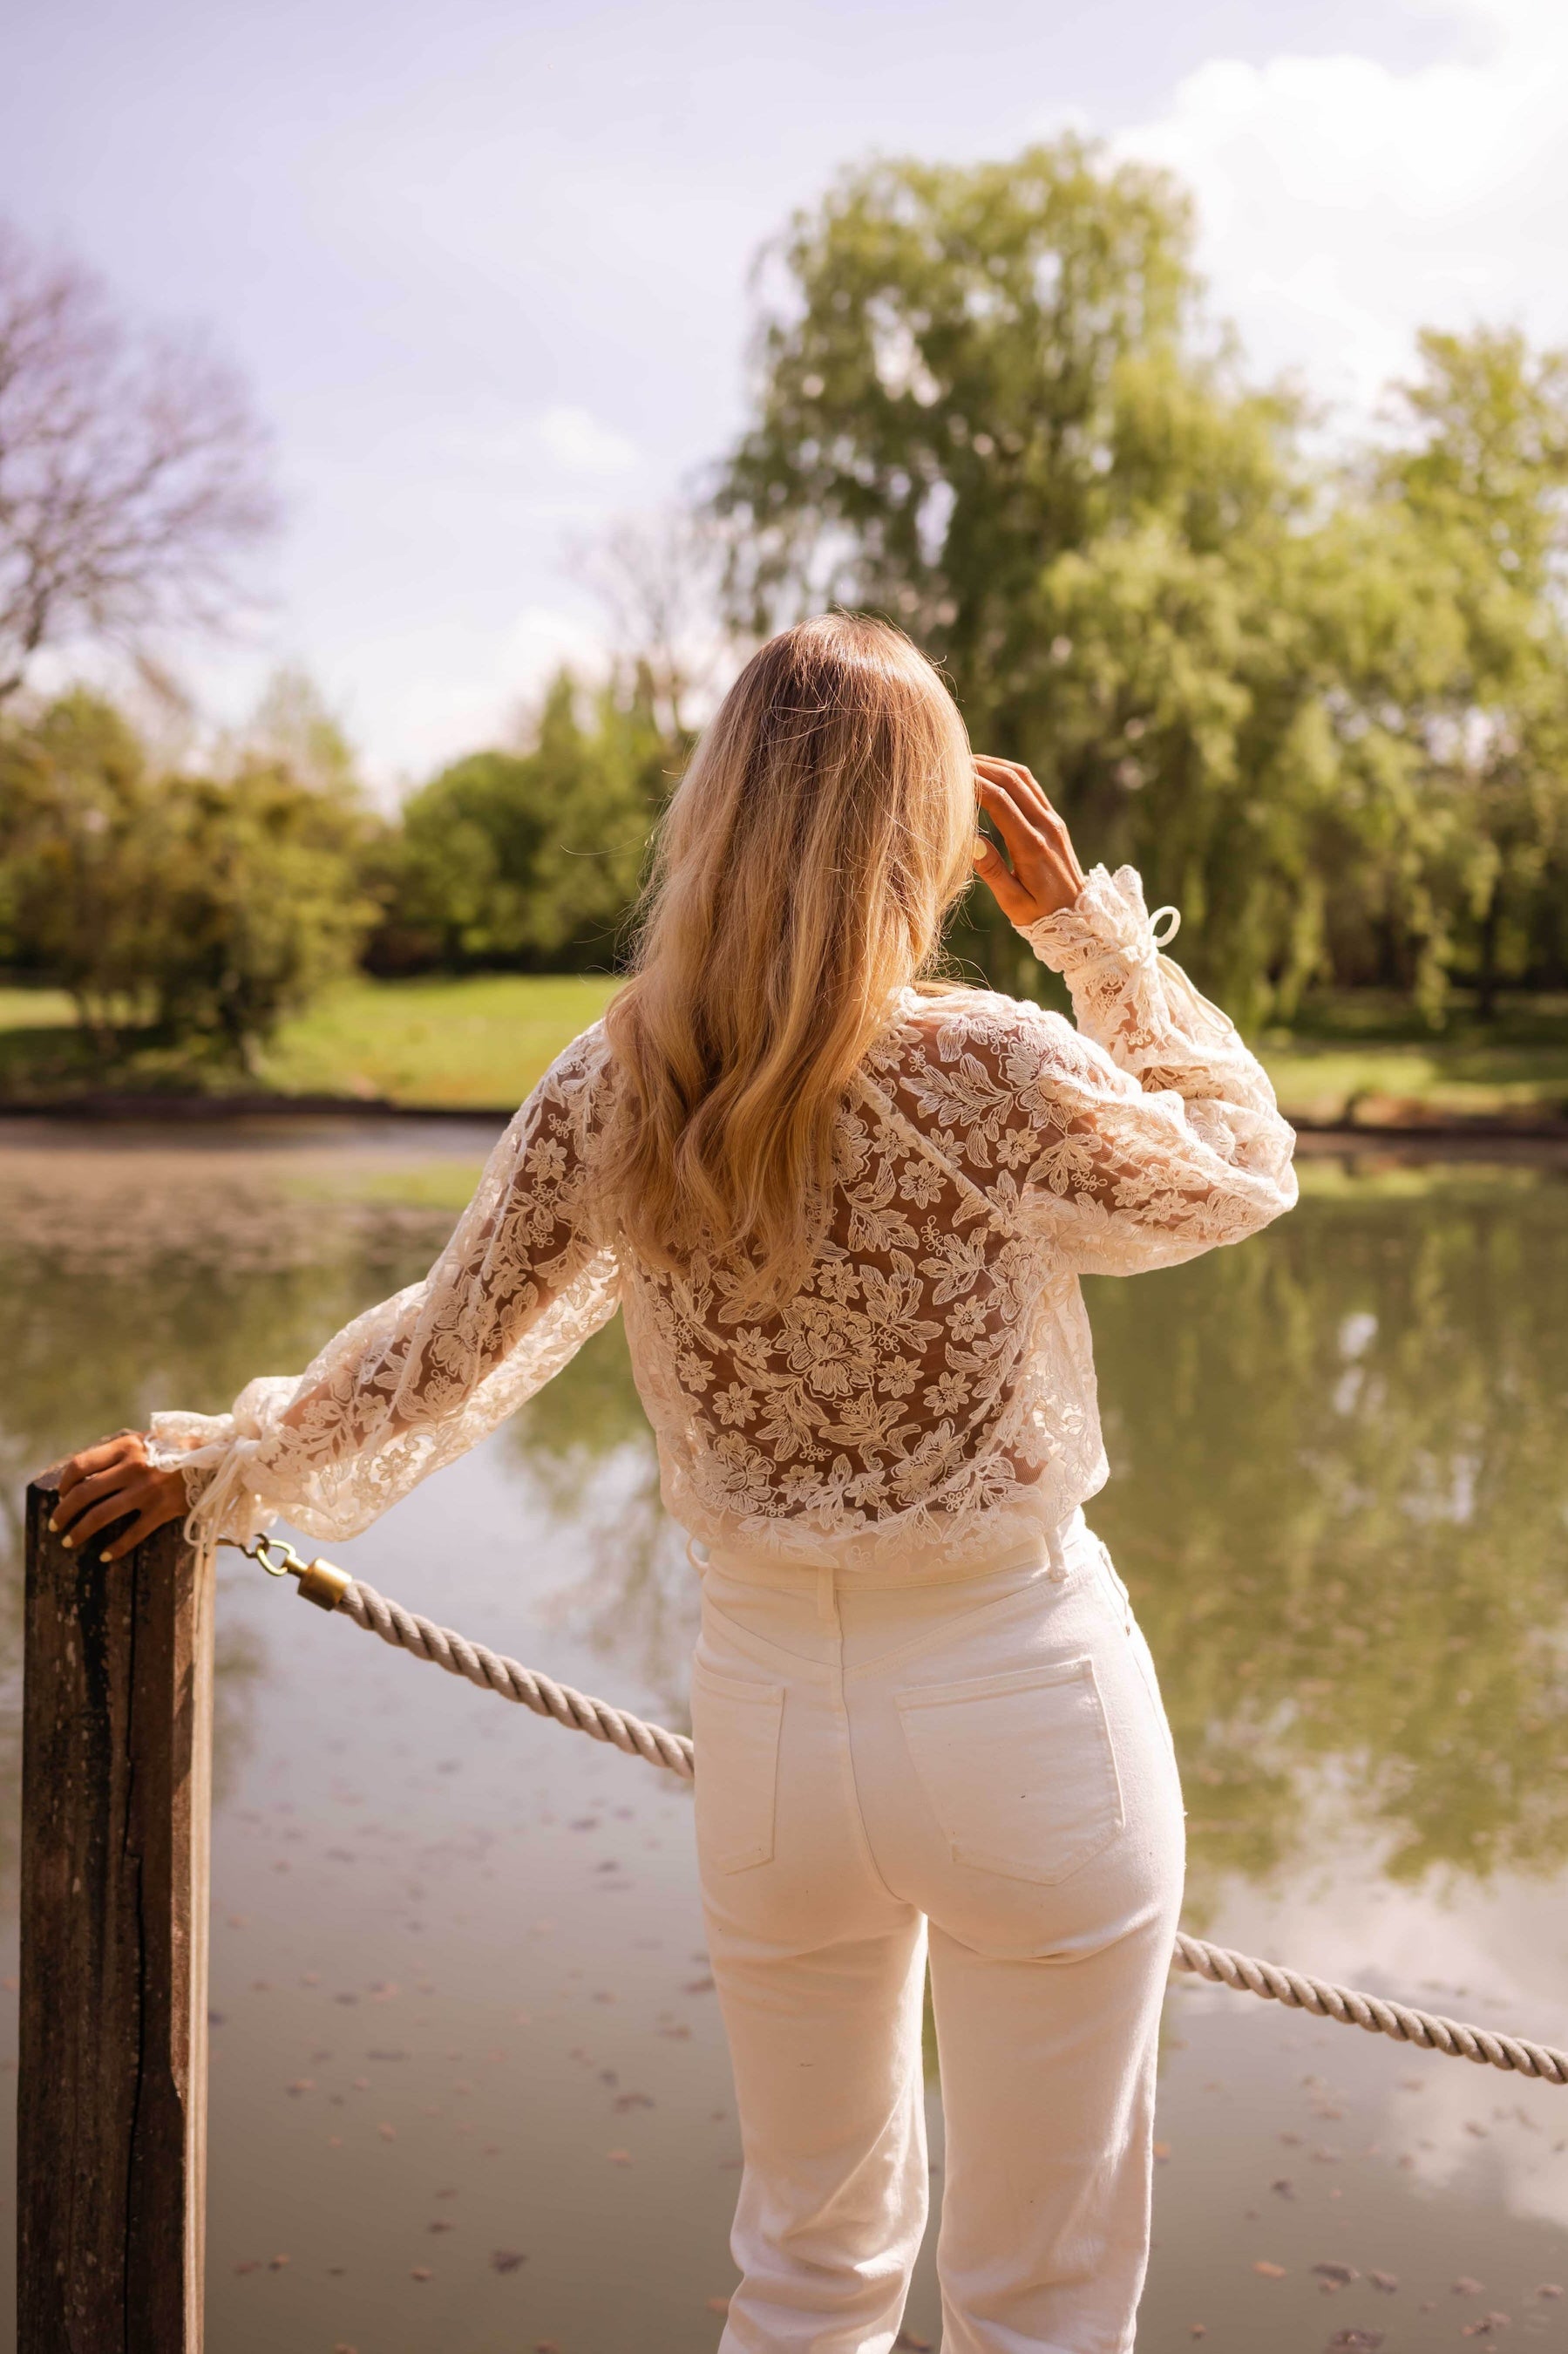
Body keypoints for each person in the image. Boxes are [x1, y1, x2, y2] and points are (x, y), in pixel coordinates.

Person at [52, 614, 1296, 2351]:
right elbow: (1240, 1172)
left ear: (717, 816)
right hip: (1026, 1705)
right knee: (1043, 2307)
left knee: (805, 2276)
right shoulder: (998, 1066)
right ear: (928, 834)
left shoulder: (622, 1076)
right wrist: (1085, 932)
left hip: (773, 1727)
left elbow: (439, 1349)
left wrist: (224, 1462)